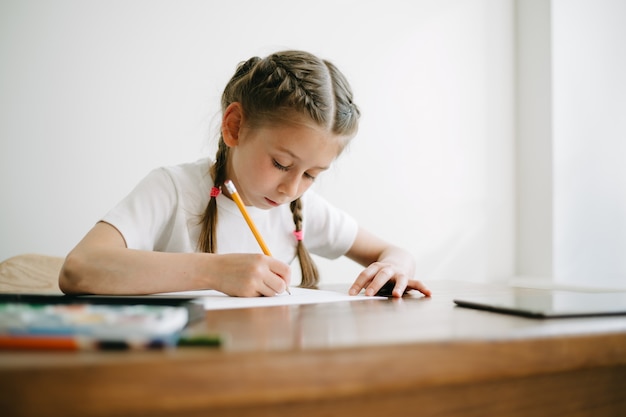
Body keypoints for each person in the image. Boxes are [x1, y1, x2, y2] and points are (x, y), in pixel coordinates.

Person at [59, 50, 431, 299]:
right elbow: (79, 269)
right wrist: (214, 272)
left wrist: (394, 267)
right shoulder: (174, 189)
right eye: (281, 164)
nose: (291, 188)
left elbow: (392, 251)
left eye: (311, 174)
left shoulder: (301, 209)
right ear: (235, 126)